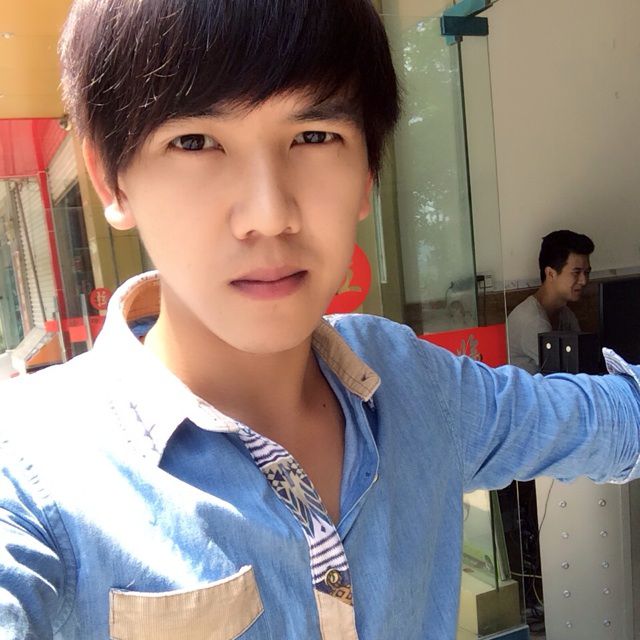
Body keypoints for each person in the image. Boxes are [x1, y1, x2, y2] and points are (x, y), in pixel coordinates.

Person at [0, 2, 639, 639]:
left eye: (313, 136)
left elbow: (608, 421)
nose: (269, 213)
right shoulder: (36, 473)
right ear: (111, 179)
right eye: (194, 141)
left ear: (367, 172)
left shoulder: (415, 386)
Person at [507, 229, 594, 374]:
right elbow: (565, 378)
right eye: (576, 272)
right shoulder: (533, 321)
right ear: (550, 274)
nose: (584, 280)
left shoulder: (565, 314)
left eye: (587, 272)